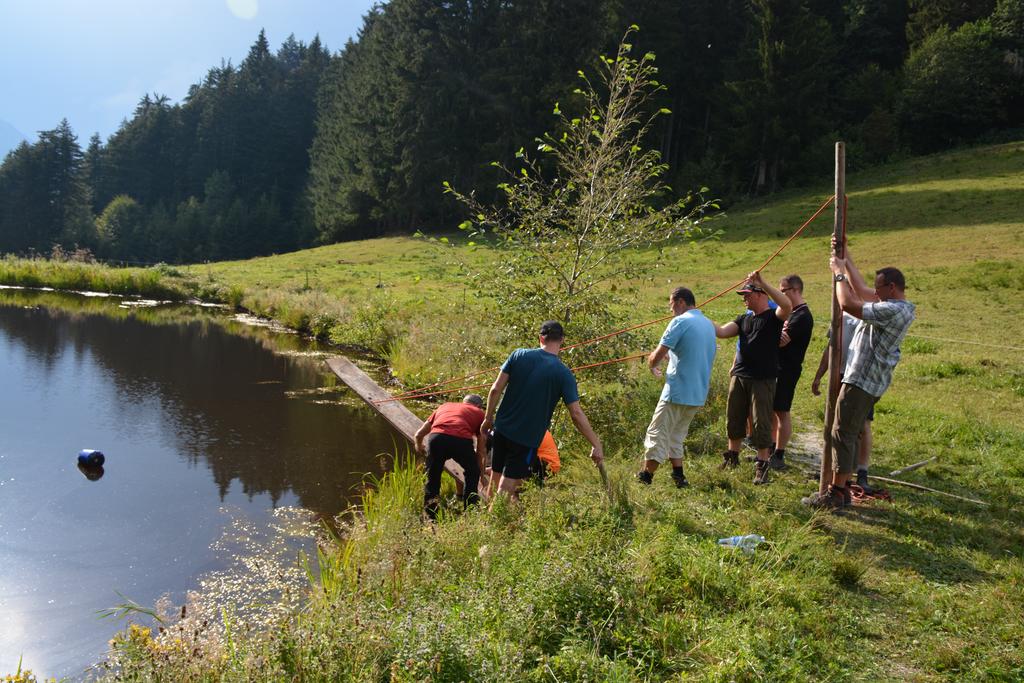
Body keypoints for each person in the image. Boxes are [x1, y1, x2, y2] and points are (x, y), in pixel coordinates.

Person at [803, 240, 915, 510]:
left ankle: (836, 493)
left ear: (891, 287)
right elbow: (862, 290)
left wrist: (838, 273)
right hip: (868, 380)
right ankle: (841, 489)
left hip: (862, 380)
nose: (873, 292)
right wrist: (844, 255)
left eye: (878, 288)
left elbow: (848, 303)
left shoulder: (893, 310)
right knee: (847, 432)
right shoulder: (893, 303)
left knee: (842, 432)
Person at [482, 320, 603, 501]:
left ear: (540, 338)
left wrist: (488, 417)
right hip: (526, 438)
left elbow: (495, 389)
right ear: (562, 340)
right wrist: (595, 443)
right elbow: (576, 414)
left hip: (501, 429)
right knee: (506, 487)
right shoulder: (564, 374)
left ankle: (488, 518)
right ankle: (492, 525)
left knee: (495, 476)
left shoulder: (518, 355)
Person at [714, 271, 791, 484]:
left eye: (747, 294)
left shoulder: (773, 318)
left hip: (763, 378)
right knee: (734, 416)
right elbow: (721, 331)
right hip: (739, 375)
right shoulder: (743, 319)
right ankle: (733, 457)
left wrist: (763, 282)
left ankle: (762, 465)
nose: (744, 298)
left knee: (761, 421)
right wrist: (696, 317)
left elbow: (786, 306)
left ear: (760, 294)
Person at [637, 286, 717, 488]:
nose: (670, 308)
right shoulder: (707, 324)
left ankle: (646, 476)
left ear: (681, 302)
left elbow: (656, 356)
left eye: (671, 303)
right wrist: (671, 355)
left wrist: (652, 364)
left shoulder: (679, 321)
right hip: (697, 392)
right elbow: (691, 352)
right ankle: (679, 477)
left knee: (657, 432)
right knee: (677, 435)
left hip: (677, 391)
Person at [810, 312, 876, 492]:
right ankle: (833, 468)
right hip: (839, 375)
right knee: (835, 422)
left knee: (861, 425)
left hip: (860, 377)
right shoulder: (841, 314)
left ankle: (861, 472)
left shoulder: (868, 311)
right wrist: (819, 376)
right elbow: (831, 346)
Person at [414, 394, 487, 519]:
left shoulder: (444, 406)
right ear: (479, 406)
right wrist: (481, 475)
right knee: (472, 472)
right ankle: (470, 513)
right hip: (461, 441)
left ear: (463, 402)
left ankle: (431, 516)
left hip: (437, 438)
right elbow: (480, 451)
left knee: (433, 476)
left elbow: (419, 434)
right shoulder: (480, 413)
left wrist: (419, 446)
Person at [770, 274, 814, 470]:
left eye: (783, 291)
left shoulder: (802, 315)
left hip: (788, 369)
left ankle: (779, 455)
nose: (781, 295)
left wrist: (773, 337)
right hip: (777, 366)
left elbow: (780, 340)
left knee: (782, 411)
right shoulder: (791, 312)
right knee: (772, 409)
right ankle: (770, 448)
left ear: (795, 290)